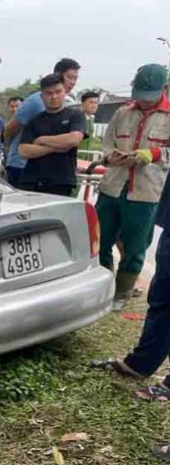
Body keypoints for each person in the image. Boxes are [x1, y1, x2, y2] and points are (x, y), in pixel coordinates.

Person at [95, 64, 170, 304]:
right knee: (100, 239)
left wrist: (155, 154)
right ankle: (102, 287)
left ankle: (121, 292)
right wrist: (109, 157)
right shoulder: (123, 113)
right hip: (112, 186)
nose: (144, 102)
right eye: (140, 96)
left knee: (136, 246)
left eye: (150, 97)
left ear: (165, 89)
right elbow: (107, 143)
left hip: (145, 193)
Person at [5, 58, 81, 188]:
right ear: (57, 75)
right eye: (69, 77)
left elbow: (73, 139)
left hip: (53, 172)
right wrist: (10, 151)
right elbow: (10, 129)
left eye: (75, 78)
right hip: (22, 166)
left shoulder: (70, 109)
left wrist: (42, 141)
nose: (73, 82)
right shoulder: (35, 101)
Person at [17, 74, 86, 196]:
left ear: (64, 92)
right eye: (49, 93)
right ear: (42, 96)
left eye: (58, 92)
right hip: (31, 182)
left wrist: (41, 140)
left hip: (61, 182)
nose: (54, 97)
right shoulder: (34, 121)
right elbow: (24, 151)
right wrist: (59, 146)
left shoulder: (75, 116)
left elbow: (74, 139)